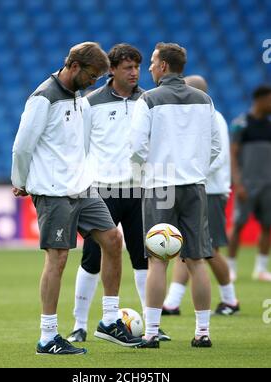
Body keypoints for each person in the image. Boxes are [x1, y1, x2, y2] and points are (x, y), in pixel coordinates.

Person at [11, 42, 143, 355]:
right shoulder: (43, 99)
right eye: (92, 76)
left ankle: (109, 320)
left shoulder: (77, 98)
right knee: (57, 259)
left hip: (82, 187)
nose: (94, 82)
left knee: (112, 240)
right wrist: (20, 181)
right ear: (73, 66)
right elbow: (22, 147)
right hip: (54, 192)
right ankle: (48, 336)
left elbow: (80, 143)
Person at [67, 43, 170, 343]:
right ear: (111, 70)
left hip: (140, 189)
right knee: (91, 259)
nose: (135, 73)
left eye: (138, 67)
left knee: (144, 257)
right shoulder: (90, 102)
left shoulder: (148, 101)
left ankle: (152, 326)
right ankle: (79, 324)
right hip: (102, 190)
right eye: (128, 67)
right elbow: (80, 146)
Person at [130, 43, 221, 348]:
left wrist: (146, 172)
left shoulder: (149, 99)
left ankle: (152, 333)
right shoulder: (205, 100)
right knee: (197, 260)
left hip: (160, 187)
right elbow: (215, 146)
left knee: (158, 260)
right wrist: (195, 168)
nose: (150, 68)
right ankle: (203, 333)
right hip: (194, 186)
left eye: (153, 63)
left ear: (164, 66)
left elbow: (137, 147)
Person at [162, 75, 239, 317]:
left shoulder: (212, 118)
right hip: (201, 189)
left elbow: (217, 157)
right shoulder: (205, 115)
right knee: (187, 249)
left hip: (210, 191)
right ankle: (172, 303)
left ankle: (230, 300)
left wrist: (189, 173)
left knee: (208, 250)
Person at [227, 85, 271, 282]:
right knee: (238, 225)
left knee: (268, 226)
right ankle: (231, 268)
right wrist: (238, 183)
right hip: (247, 183)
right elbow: (233, 156)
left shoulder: (269, 126)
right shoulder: (241, 124)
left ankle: (261, 269)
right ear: (260, 100)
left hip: (268, 185)